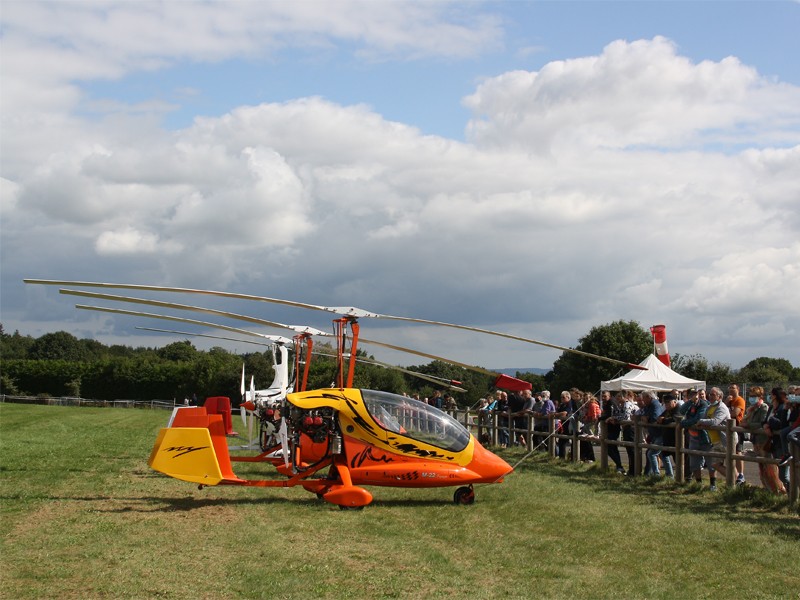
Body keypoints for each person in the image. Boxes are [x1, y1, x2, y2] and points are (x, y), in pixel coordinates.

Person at [741, 386, 785, 495]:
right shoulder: (752, 408)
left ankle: (778, 489)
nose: (752, 398)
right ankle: (768, 489)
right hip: (756, 440)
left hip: (764, 441)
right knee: (762, 467)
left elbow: (761, 423)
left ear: (760, 396)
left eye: (754, 396)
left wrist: (749, 425)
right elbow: (743, 421)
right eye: (750, 396)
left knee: (770, 467)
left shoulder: (764, 407)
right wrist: (749, 413)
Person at [696, 387, 735, 491]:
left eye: (713, 395)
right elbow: (705, 418)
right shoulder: (709, 407)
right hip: (716, 440)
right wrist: (702, 422)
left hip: (725, 440)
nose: (710, 396)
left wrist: (702, 422)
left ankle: (734, 482)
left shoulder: (722, 408)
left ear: (719, 397)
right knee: (716, 464)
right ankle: (734, 481)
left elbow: (715, 421)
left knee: (725, 463)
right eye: (710, 394)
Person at [681, 388, 710, 486]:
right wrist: (689, 402)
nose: (694, 396)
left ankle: (712, 484)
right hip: (693, 436)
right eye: (691, 395)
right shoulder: (690, 404)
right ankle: (698, 483)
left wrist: (683, 423)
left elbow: (698, 419)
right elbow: (681, 411)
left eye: (695, 394)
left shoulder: (704, 404)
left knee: (710, 461)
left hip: (704, 436)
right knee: (694, 462)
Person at [605, 392, 634, 474]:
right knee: (629, 450)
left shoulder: (627, 405)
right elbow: (620, 415)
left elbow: (626, 416)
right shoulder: (622, 405)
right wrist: (614, 418)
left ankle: (633, 471)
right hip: (626, 428)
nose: (616, 399)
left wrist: (613, 418)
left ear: (623, 397)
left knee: (632, 451)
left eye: (618, 397)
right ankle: (630, 471)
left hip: (630, 428)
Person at [639, 391, 665, 477]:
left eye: (644, 399)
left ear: (648, 397)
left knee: (651, 453)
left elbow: (655, 418)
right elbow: (643, 415)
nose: (643, 401)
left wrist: (647, 419)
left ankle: (656, 475)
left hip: (659, 433)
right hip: (654, 433)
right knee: (663, 455)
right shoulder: (649, 405)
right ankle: (650, 473)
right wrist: (644, 418)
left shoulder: (655, 404)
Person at [726, 384, 746, 485]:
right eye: (730, 388)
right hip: (729, 429)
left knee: (738, 452)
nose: (730, 389)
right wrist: (726, 403)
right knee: (730, 451)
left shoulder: (739, 400)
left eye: (733, 388)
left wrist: (728, 411)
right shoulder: (729, 401)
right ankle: (735, 475)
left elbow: (734, 414)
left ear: (737, 389)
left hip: (737, 427)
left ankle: (741, 474)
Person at [656, 393, 680, 479]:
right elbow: (659, 417)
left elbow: (675, 418)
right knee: (663, 454)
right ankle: (670, 475)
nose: (666, 405)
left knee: (678, 459)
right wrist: (660, 419)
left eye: (668, 403)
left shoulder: (678, 408)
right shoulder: (668, 410)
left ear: (674, 402)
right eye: (665, 403)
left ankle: (681, 478)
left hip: (677, 439)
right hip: (668, 439)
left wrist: (664, 420)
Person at [554, 391, 576, 459]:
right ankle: (561, 457)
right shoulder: (562, 405)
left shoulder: (570, 403)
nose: (562, 399)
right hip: (563, 425)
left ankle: (573, 458)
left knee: (573, 441)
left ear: (568, 397)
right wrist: (557, 414)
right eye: (561, 397)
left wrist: (556, 414)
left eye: (563, 397)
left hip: (571, 425)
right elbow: (558, 412)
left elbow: (564, 413)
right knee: (561, 441)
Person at [579, 392, 601, 462]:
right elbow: (588, 413)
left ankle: (594, 435)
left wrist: (593, 417)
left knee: (592, 426)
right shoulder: (586, 405)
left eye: (588, 398)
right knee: (587, 427)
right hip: (592, 418)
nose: (587, 399)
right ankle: (592, 434)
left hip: (597, 417)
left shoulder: (592, 404)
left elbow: (594, 411)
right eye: (585, 398)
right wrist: (587, 417)